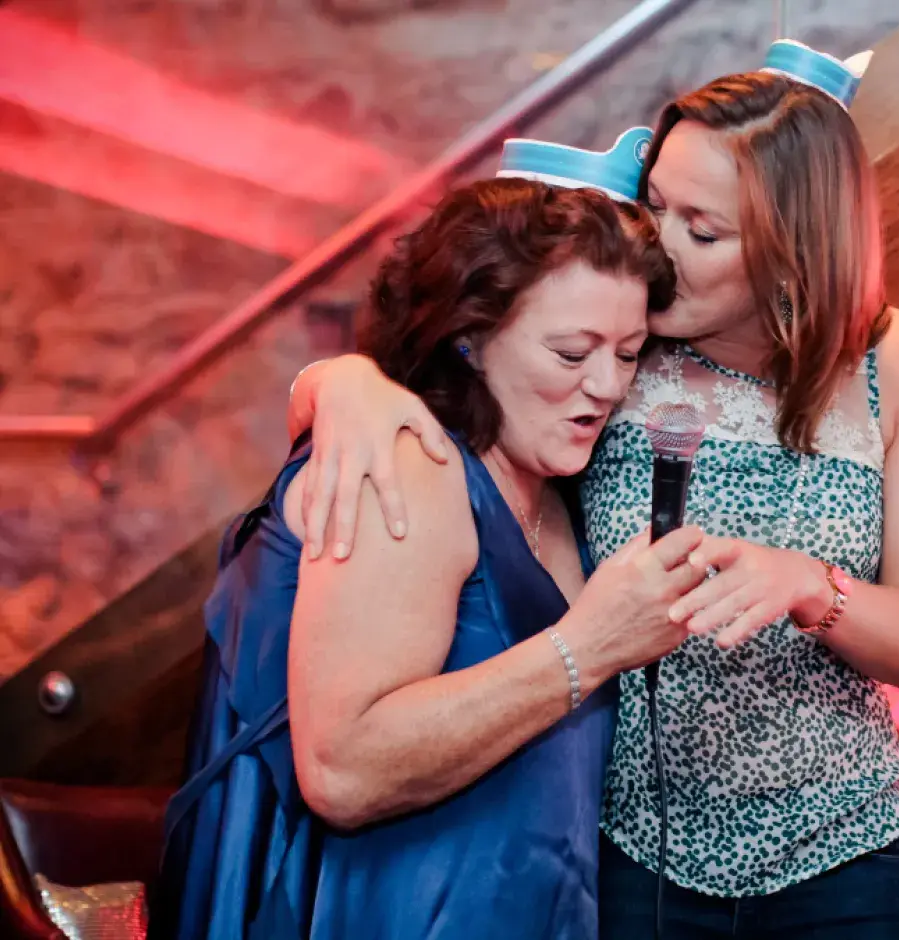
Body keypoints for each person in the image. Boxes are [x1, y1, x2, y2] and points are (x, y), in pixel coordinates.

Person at [287, 40, 899, 939]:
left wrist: (811, 587)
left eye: (703, 231)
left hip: (845, 857)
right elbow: (461, 348)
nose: (660, 250)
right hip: (628, 858)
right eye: (656, 207)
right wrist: (342, 383)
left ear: (794, 248)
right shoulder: (618, 342)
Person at [150, 129, 705, 940]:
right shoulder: (410, 464)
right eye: (571, 352)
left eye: (628, 353)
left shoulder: (560, 481)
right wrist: (590, 647)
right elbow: (344, 767)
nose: (607, 385)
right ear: (468, 338)